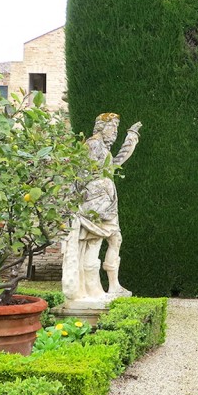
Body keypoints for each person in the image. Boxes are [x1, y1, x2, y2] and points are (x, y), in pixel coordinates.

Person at [62, 113, 141, 306]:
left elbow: (113, 166)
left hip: (105, 204)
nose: (114, 132)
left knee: (115, 239)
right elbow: (79, 175)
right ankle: (92, 289)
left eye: (115, 128)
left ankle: (113, 286)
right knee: (94, 245)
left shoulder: (103, 148)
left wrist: (130, 139)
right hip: (94, 205)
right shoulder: (92, 145)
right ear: (100, 127)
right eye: (112, 127)